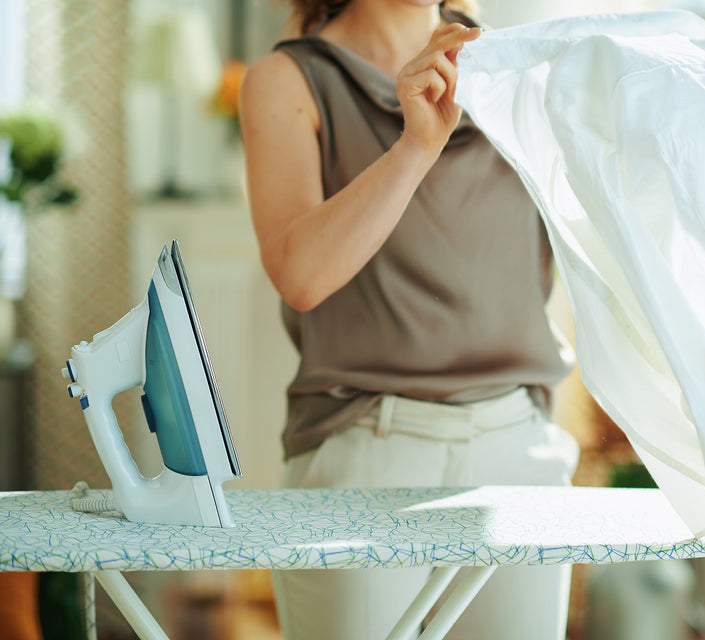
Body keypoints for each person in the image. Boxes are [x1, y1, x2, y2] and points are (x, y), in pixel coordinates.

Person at [239, 1, 580, 637]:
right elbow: (301, 276)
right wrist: (418, 144)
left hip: (517, 450)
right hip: (364, 450)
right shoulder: (288, 81)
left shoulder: (513, 66)